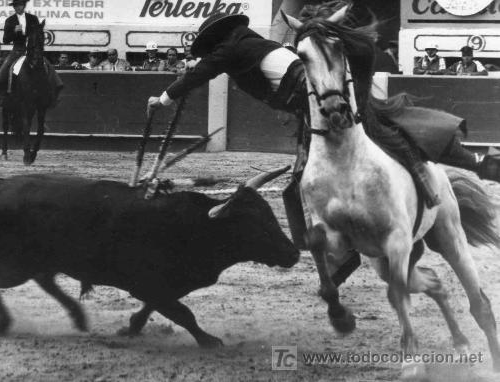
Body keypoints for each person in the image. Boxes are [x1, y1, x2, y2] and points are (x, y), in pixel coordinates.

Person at [146, 11, 500, 284]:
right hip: (312, 98)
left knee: (321, 168)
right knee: (387, 126)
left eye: (209, 46)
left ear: (217, 40)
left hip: (313, 95)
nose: (210, 52)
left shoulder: (232, 48)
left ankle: (345, 252)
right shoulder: (253, 44)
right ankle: (476, 164)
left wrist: (163, 98)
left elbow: (201, 72)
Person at [0, 0, 63, 105]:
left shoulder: (33, 18)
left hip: (32, 49)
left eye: (20, 5)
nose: (18, 7)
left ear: (24, 5)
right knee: (7, 67)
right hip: (18, 49)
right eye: (15, 5)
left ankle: (56, 89)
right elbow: (5, 40)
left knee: (47, 64)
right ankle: (2, 93)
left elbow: (38, 34)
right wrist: (14, 32)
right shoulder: (10, 20)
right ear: (14, 7)